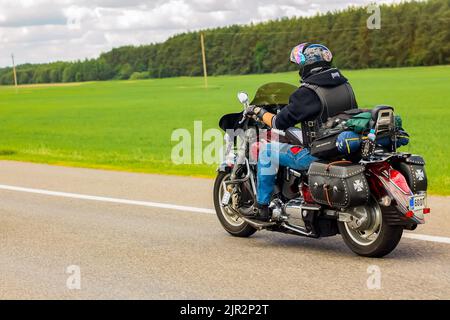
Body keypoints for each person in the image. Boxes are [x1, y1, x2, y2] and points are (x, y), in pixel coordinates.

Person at [245, 43, 358, 221]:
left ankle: (261, 207)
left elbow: (278, 122)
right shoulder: (345, 85)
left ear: (308, 64)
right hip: (344, 148)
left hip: (317, 154)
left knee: (267, 151)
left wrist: (259, 112)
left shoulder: (308, 92)